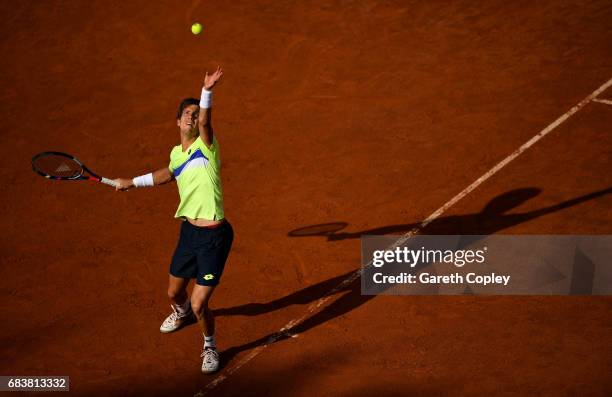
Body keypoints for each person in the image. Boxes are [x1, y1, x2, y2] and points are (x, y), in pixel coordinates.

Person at [114, 66, 233, 374]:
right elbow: (168, 174)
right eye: (188, 114)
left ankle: (209, 345)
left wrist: (207, 90)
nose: (193, 118)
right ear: (178, 121)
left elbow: (207, 119)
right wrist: (132, 181)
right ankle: (180, 313)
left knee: (199, 303)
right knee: (174, 294)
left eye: (196, 114)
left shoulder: (206, 146)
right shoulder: (177, 154)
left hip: (214, 237)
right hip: (189, 234)